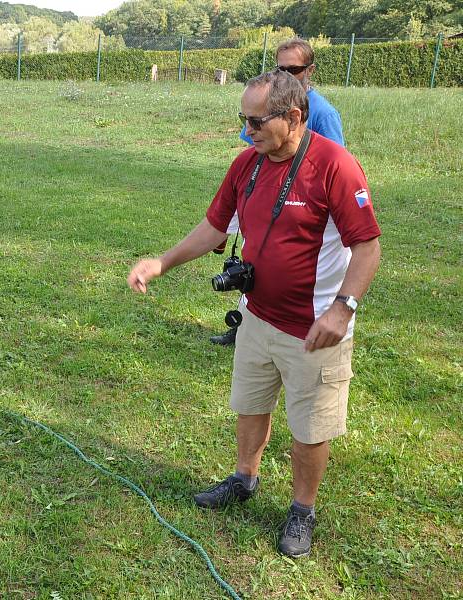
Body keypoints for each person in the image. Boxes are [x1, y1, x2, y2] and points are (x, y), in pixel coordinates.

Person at [128, 70, 381, 558]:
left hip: (314, 331)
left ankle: (302, 510)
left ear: (292, 117)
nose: (248, 131)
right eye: (243, 120)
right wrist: (160, 262)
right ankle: (245, 478)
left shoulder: (336, 166)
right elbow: (213, 227)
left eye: (257, 121)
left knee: (311, 427)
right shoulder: (247, 163)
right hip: (256, 316)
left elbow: (367, 246)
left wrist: (343, 309)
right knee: (250, 405)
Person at [211, 37, 345, 346]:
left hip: (298, 212)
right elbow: (256, 153)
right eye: (278, 67)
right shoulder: (265, 111)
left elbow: (334, 167)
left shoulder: (323, 114)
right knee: (254, 259)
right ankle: (245, 323)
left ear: (309, 70)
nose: (284, 74)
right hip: (263, 201)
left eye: (292, 69)